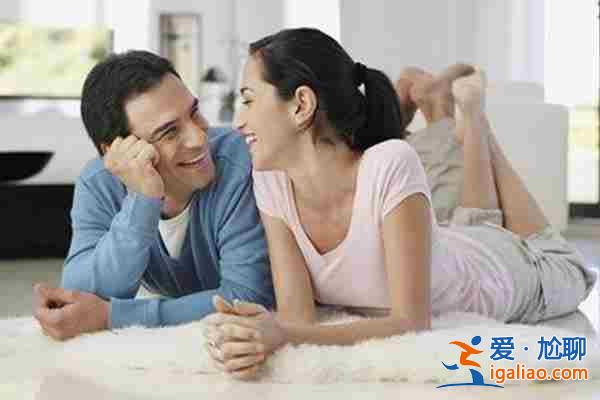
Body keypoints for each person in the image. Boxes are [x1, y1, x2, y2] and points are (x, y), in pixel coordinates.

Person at [202, 27, 597, 379]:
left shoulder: (389, 162)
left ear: (301, 104)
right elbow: (298, 317)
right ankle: (458, 114)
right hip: (455, 246)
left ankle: (476, 119)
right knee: (475, 221)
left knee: (563, 262)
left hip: (506, 271)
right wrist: (257, 331)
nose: (238, 121)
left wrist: (282, 334)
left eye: (248, 100)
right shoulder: (271, 180)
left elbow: (410, 322)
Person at [33, 50, 275, 340]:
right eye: (169, 132)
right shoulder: (99, 182)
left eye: (194, 112)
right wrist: (142, 199)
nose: (200, 138)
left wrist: (114, 316)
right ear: (116, 151)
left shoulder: (239, 161)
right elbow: (81, 295)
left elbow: (248, 297)